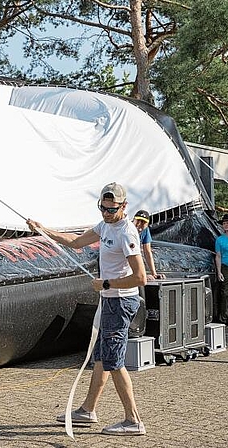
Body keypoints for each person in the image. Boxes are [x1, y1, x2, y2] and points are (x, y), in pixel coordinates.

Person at [26, 182, 147, 436]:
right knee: (102, 357)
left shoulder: (127, 233)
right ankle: (87, 410)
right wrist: (43, 230)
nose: (105, 213)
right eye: (102, 208)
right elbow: (76, 241)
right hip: (111, 299)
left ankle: (133, 420)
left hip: (121, 301)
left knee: (113, 361)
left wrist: (105, 283)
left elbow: (140, 278)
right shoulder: (105, 226)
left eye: (111, 209)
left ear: (123, 207)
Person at [132, 209, 166, 281]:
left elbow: (147, 252)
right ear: (133, 220)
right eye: (138, 221)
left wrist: (154, 273)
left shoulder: (145, 230)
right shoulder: (128, 230)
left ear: (147, 224)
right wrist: (142, 275)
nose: (139, 224)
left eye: (143, 222)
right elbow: (130, 256)